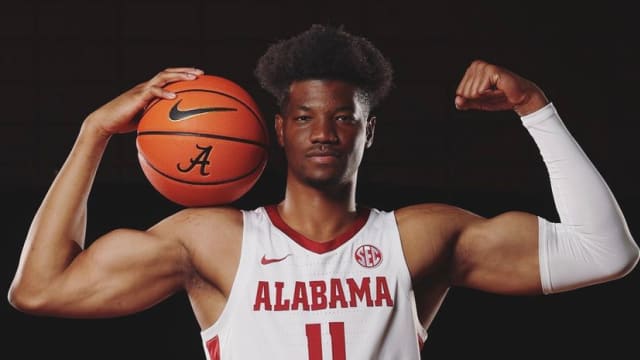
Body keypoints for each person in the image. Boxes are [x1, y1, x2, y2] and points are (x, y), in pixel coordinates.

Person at [8, 24, 638, 360]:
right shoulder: (214, 239)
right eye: (305, 117)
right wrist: (94, 133)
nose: (324, 132)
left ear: (369, 132)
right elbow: (38, 289)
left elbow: (606, 253)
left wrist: (535, 108)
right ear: (277, 130)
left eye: (344, 117)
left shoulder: (420, 237)